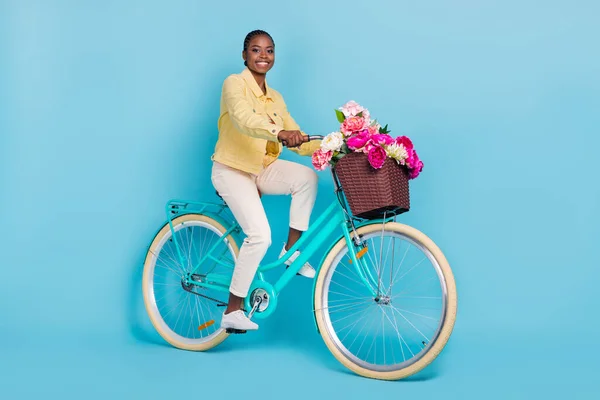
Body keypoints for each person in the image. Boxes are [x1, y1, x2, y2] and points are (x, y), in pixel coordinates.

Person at [210, 30, 322, 332]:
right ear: (244, 55)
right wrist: (278, 133)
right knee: (259, 235)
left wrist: (333, 144)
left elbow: (297, 138)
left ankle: (291, 251)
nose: (263, 56)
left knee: (307, 178)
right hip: (232, 169)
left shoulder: (276, 98)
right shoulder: (234, 84)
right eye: (256, 50)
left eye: (269, 50)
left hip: (261, 167)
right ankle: (233, 310)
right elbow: (244, 119)